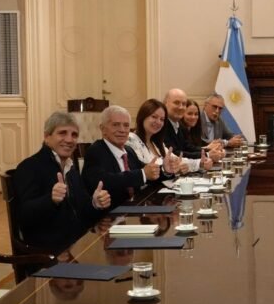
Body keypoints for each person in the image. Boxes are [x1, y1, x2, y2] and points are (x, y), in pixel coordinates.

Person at [14, 112, 110, 252]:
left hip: (77, 245)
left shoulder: (71, 168)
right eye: (62, 133)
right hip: (48, 252)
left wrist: (95, 203)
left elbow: (83, 211)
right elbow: (24, 215)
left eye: (74, 135)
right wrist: (51, 200)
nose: (69, 140)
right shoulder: (29, 167)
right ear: (47, 137)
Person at [82, 105, 175, 207]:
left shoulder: (128, 151)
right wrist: (142, 174)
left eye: (126, 125)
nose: (122, 130)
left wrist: (165, 170)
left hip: (136, 208)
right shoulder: (96, 151)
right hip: (112, 212)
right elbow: (104, 181)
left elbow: (147, 174)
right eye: (116, 125)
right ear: (103, 129)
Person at [126, 99, 209, 174]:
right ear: (142, 116)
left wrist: (200, 163)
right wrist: (165, 169)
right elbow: (139, 172)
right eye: (154, 117)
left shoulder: (157, 143)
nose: (158, 122)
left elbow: (178, 160)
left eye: (162, 119)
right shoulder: (131, 140)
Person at [163, 88, 223, 162]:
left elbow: (187, 147)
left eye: (184, 104)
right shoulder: (162, 125)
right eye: (176, 103)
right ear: (165, 104)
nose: (181, 107)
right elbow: (174, 153)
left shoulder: (178, 125)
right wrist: (207, 154)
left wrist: (211, 150)